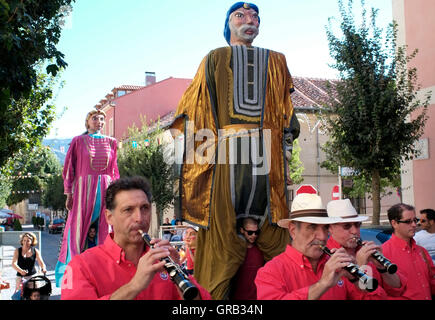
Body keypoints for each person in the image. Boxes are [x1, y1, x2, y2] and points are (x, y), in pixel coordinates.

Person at [169, 2, 300, 299]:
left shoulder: (277, 61)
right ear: (228, 25)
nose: (249, 20)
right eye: (240, 16)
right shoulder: (215, 57)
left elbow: (286, 117)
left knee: (277, 231)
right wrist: (199, 166)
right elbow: (197, 110)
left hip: (267, 156)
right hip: (225, 155)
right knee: (218, 237)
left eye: (255, 16)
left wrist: (286, 158)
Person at [60, 176, 211, 300]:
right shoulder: (81, 266)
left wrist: (179, 274)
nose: (139, 218)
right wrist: (135, 286)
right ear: (109, 217)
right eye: (128, 210)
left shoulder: (163, 260)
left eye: (144, 208)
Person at [255, 193, 388, 300]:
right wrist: (322, 284)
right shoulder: (271, 271)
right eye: (312, 227)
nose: (323, 236)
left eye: (325, 228)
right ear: (293, 230)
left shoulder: (336, 264)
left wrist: (357, 278)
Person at [55, 109, 120, 287]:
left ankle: (105, 272)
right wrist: (69, 193)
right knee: (76, 230)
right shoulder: (78, 141)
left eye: (101, 119)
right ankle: (73, 274)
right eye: (94, 118)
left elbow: (114, 171)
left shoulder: (112, 142)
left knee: (106, 229)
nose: (98, 121)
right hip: (83, 189)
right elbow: (69, 168)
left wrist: (117, 193)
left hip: (105, 188)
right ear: (87, 122)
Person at [326, 199, 406, 298]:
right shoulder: (327, 258)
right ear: (330, 228)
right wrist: (359, 268)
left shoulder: (365, 250)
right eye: (347, 226)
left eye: (357, 225)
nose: (355, 231)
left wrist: (383, 269)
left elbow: (397, 290)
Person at [382, 203, 435, 300]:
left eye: (415, 220)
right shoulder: (383, 254)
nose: (414, 225)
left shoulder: (422, 251)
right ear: (394, 223)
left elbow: (432, 282)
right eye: (408, 222)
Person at [230, 217, 264, 300]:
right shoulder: (236, 251)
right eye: (250, 232)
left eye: (256, 232)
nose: (254, 235)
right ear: (242, 230)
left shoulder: (261, 250)